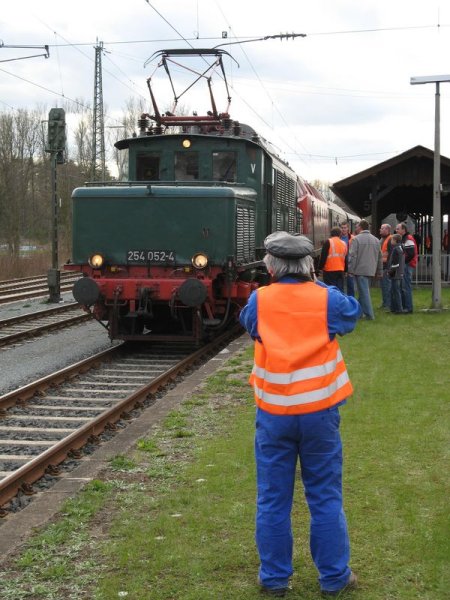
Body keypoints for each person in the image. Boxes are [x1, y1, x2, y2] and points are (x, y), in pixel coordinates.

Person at [239, 231, 361, 597]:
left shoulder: (259, 300)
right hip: (319, 414)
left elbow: (251, 327)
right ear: (310, 264)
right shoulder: (327, 299)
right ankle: (334, 578)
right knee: (324, 495)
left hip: (274, 415)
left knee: (273, 498)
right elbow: (351, 315)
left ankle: (275, 579)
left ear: (270, 266)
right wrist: (319, 287)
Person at [348, 219, 383, 320]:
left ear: (361, 227)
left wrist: (350, 270)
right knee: (363, 292)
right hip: (371, 270)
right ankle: (359, 313)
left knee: (364, 293)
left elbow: (352, 256)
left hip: (360, 270)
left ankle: (369, 315)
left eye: (357, 226)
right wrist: (379, 271)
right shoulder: (376, 240)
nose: (356, 228)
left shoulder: (356, 239)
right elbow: (380, 257)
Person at [394, 222, 418, 313]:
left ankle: (408, 308)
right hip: (406, 265)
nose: (396, 230)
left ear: (403, 230)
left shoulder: (408, 239)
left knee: (406, 286)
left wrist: (403, 262)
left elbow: (411, 254)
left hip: (407, 266)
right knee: (404, 286)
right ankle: (405, 307)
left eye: (398, 229)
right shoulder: (405, 238)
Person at [318, 227, 347, 291]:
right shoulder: (344, 243)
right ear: (340, 234)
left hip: (329, 271)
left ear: (331, 234)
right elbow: (345, 258)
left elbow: (323, 257)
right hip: (340, 271)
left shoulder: (328, 242)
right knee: (340, 290)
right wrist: (345, 270)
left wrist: (320, 268)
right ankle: (340, 301)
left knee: (330, 290)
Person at [387, 233, 405, 313]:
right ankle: (395, 308)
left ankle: (398, 309)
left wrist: (390, 272)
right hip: (400, 272)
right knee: (396, 290)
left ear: (395, 240)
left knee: (395, 291)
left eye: (392, 239)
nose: (391, 241)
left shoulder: (395, 249)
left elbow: (395, 263)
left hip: (395, 273)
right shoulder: (401, 248)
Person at [379, 223, 393, 310]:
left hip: (386, 266)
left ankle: (387, 304)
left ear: (387, 230)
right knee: (384, 286)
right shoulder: (382, 239)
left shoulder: (390, 239)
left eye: (382, 228)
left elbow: (390, 254)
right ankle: (385, 303)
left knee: (387, 286)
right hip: (383, 266)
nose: (380, 230)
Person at [340, 222, 355, 296]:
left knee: (350, 284)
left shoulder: (353, 238)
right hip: (340, 263)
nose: (343, 229)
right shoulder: (338, 238)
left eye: (345, 228)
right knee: (340, 283)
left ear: (348, 228)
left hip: (349, 263)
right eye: (342, 228)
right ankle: (342, 300)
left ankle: (351, 299)